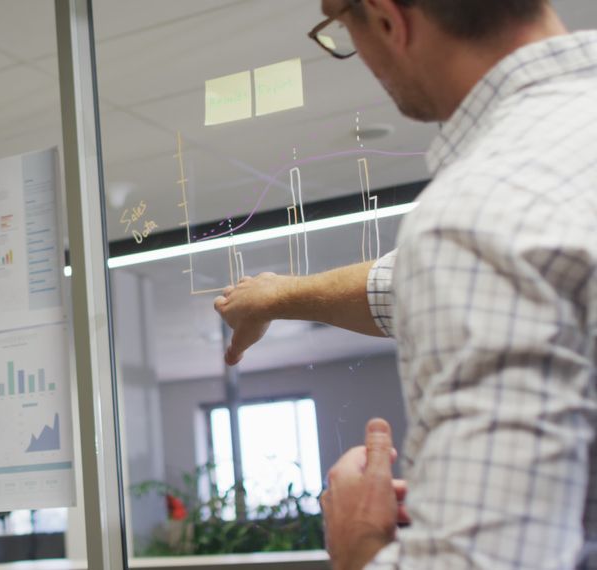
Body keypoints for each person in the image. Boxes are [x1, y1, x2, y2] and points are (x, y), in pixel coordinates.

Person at [214, 0, 597, 568]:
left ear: (388, 20)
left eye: (340, 27)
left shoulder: (479, 209)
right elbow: (512, 263)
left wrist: (357, 538)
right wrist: (281, 295)